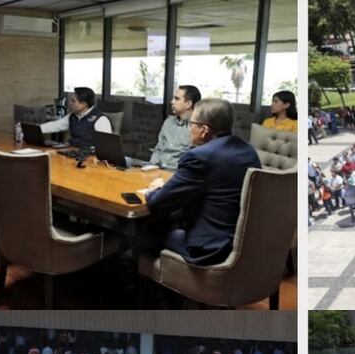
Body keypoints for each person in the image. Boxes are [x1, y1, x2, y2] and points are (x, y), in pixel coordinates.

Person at [141, 98, 262, 266]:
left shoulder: (199, 157)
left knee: (143, 231)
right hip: (242, 244)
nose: (189, 129)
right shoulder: (248, 150)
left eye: (191, 124)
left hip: (209, 249)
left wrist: (154, 189)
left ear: (204, 130)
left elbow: (157, 202)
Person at [37, 87, 112, 148]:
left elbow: (107, 146)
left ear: (84, 104)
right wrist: (33, 129)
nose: (70, 103)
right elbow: (55, 126)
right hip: (71, 151)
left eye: (73, 101)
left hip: (89, 157)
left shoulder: (101, 119)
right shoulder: (72, 116)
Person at [150, 85, 202, 169]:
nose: (172, 102)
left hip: (178, 174)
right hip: (157, 170)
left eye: (176, 99)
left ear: (188, 104)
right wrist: (151, 166)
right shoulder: (168, 122)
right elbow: (158, 149)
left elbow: (195, 160)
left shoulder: (197, 128)